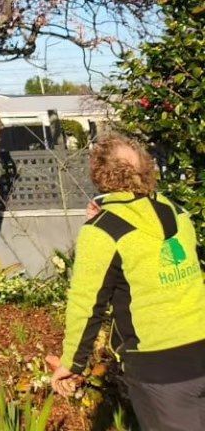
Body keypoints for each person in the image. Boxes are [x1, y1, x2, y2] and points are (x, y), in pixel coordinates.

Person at [47, 133, 205, 431]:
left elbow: (86, 304)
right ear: (146, 169)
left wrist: (72, 364)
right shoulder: (179, 213)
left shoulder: (102, 231)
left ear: (100, 174)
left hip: (160, 369)